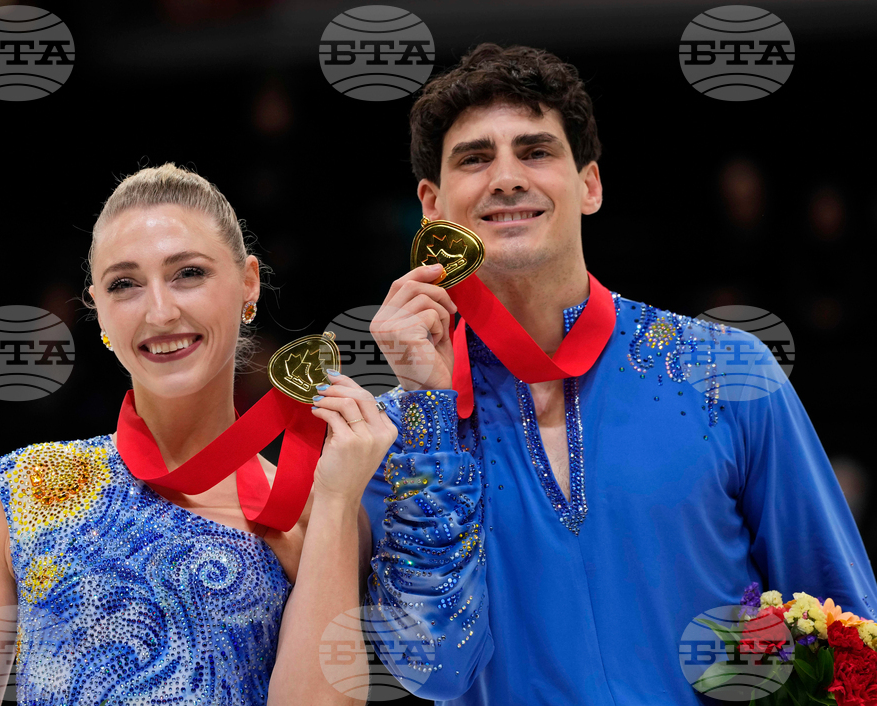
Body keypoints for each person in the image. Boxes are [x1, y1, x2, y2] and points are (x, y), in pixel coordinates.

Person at [361, 44, 877, 705]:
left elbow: (847, 638)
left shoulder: (726, 372)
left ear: (590, 184)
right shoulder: (395, 431)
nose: (508, 177)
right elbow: (432, 668)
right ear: (431, 204)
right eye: (475, 158)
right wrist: (429, 412)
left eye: (537, 150)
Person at [0, 163, 398, 705]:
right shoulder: (22, 488)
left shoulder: (314, 508)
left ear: (248, 283)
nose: (160, 310)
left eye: (188, 273)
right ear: (99, 310)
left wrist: (339, 501)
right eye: (125, 284)